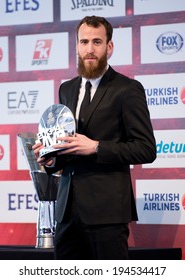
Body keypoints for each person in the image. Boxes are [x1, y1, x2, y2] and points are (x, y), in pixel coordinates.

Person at [33, 15, 156, 260]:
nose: (90, 49)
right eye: (84, 41)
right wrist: (51, 158)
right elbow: (69, 146)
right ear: (77, 46)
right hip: (66, 212)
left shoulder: (127, 89)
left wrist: (97, 147)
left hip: (107, 214)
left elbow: (145, 149)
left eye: (97, 42)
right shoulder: (66, 88)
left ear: (109, 47)